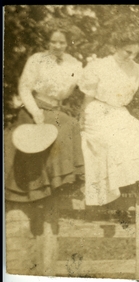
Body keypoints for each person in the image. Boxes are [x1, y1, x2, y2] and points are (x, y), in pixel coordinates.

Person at [4, 18, 84, 234]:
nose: (57, 46)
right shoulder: (36, 59)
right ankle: (36, 190)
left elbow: (83, 87)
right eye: (53, 42)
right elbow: (24, 88)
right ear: (48, 42)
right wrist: (36, 111)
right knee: (36, 138)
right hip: (35, 108)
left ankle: (61, 184)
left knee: (71, 126)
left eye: (62, 42)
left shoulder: (75, 64)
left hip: (57, 111)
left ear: (69, 43)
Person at [78, 26, 139, 207]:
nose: (131, 57)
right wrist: (83, 119)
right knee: (114, 142)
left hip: (120, 114)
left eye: (135, 53)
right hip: (98, 112)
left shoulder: (138, 69)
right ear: (116, 47)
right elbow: (88, 97)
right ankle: (114, 193)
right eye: (128, 51)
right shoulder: (99, 66)